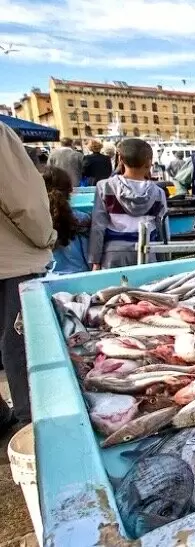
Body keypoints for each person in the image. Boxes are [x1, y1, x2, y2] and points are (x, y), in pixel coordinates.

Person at [0, 121, 57, 431]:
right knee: (20, 342)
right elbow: (23, 202)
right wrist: (46, 238)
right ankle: (32, 422)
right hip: (11, 262)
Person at [89, 138, 167, 270]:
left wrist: (95, 260)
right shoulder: (158, 193)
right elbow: (162, 229)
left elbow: (98, 226)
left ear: (121, 160)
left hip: (114, 253)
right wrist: (164, 259)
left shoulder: (105, 187)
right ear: (149, 162)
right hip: (148, 251)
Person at [44, 166, 90, 274]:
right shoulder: (83, 220)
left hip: (47, 278)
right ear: (70, 190)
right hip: (80, 276)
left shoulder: (32, 223)